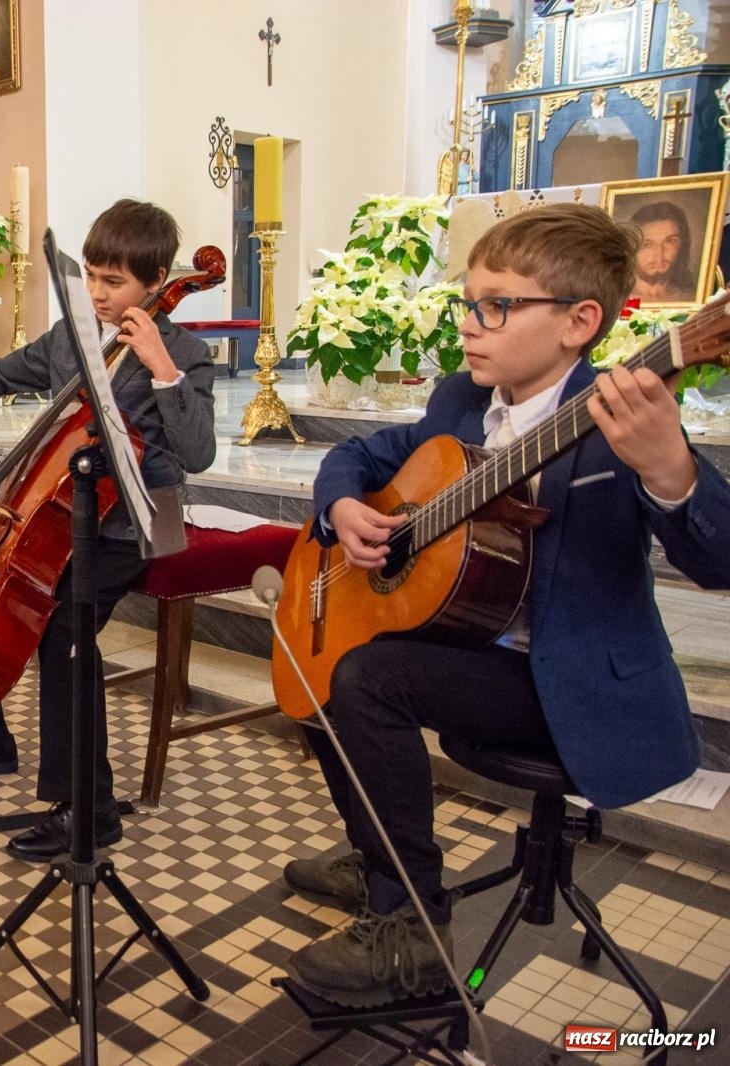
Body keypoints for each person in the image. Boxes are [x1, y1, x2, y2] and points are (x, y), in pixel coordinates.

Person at [279, 203, 730, 1008]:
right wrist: (341, 509)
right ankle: (376, 850)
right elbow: (357, 455)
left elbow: (720, 558)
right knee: (315, 666)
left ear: (579, 321)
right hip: (475, 646)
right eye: (468, 302)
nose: (471, 324)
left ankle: (411, 927)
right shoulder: (459, 401)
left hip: (573, 680)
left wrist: (671, 471)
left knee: (366, 676)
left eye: (498, 306)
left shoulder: (620, 412)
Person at [0, 198, 217, 859]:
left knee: (62, 627)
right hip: (61, 510)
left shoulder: (183, 350)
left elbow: (199, 452)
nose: (96, 293)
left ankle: (86, 809)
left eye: (113, 281)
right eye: (90, 276)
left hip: (137, 522)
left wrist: (163, 369)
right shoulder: (70, 337)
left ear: (156, 282)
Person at [627, 200, 695, 304]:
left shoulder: (692, 300)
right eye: (647, 245)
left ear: (683, 245)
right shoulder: (616, 301)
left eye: (670, 241)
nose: (659, 254)